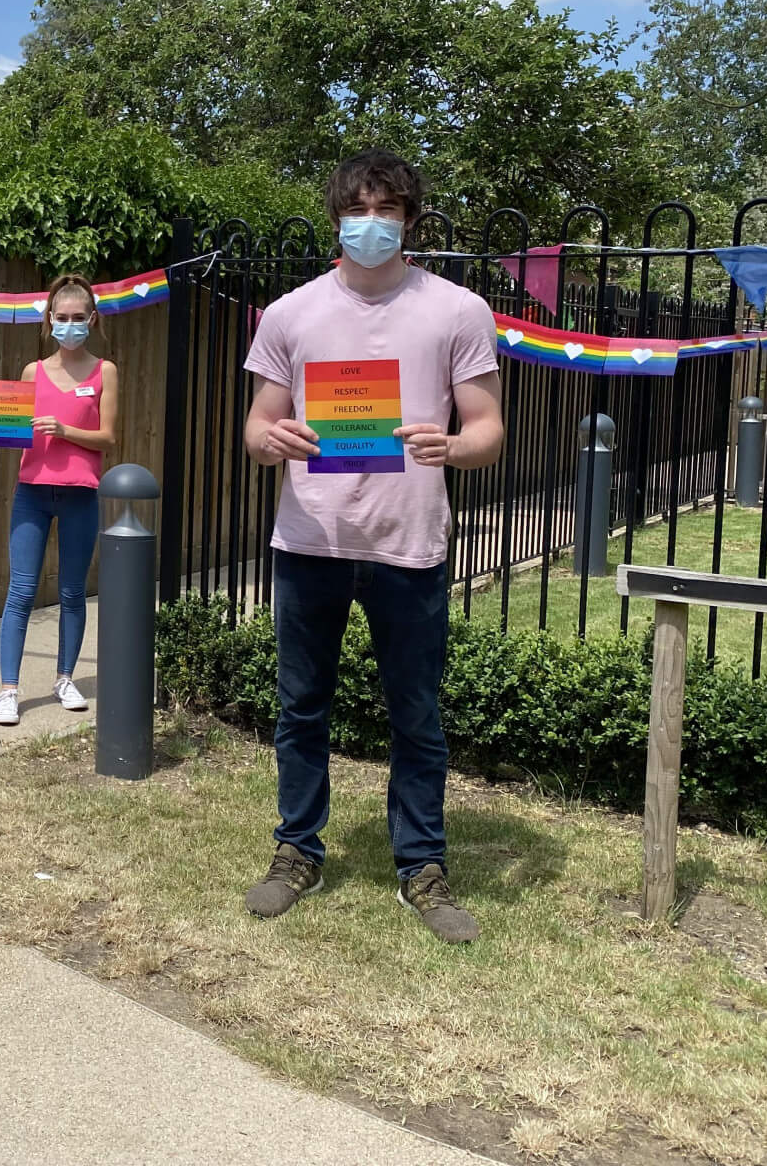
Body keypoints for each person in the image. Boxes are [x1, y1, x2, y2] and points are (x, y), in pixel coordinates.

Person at [240, 149, 504, 943]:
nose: (371, 223)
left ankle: (421, 866)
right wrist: (271, 439)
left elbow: (488, 429)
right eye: (358, 209)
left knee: (417, 717)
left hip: (409, 545)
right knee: (301, 710)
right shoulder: (290, 314)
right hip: (310, 540)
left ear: (411, 220)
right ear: (336, 220)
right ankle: (296, 851)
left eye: (387, 209)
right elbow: (256, 427)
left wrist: (451, 446)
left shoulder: (458, 310)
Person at [0, 276, 119, 727]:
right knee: (21, 591)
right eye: (62, 317)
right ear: (49, 319)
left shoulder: (104, 371)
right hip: (32, 493)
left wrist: (66, 430)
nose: (69, 325)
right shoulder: (33, 372)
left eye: (78, 318)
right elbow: (15, 431)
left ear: (91, 319)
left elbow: (109, 438)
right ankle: (8, 689)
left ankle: (65, 678)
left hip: (81, 494)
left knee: (73, 593)